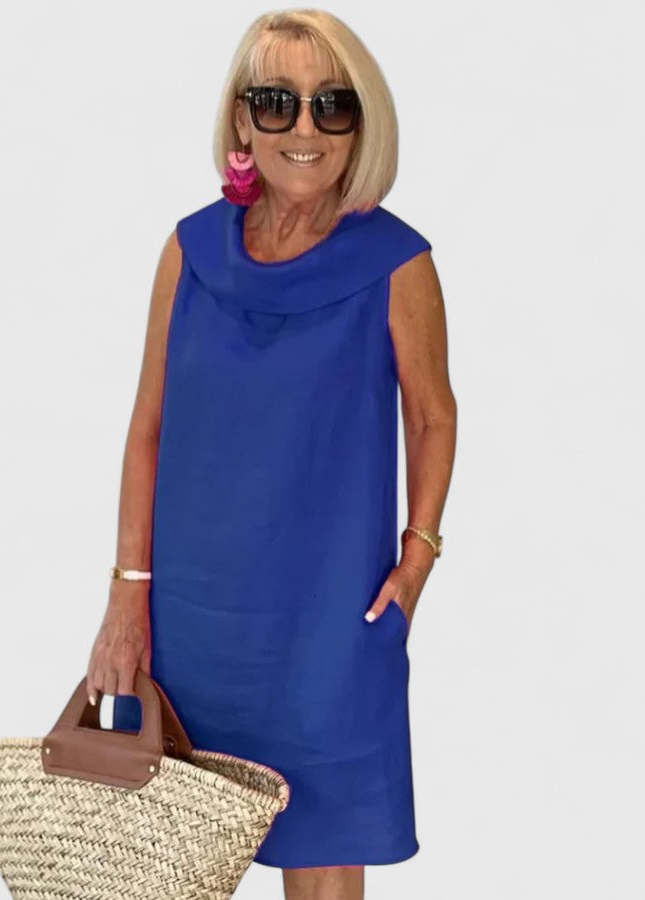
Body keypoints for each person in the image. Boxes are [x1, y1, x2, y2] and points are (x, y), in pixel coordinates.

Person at [85, 9, 456, 900]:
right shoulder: (189, 251)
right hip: (192, 622)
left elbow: (432, 416)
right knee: (165, 866)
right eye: (277, 101)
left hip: (330, 624)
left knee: (323, 856)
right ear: (242, 119)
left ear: (362, 124)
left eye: (333, 104)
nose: (304, 127)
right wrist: (127, 594)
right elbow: (147, 426)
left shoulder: (395, 262)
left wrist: (417, 560)